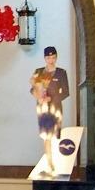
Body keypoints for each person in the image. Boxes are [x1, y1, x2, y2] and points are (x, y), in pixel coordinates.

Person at [29, 45, 70, 177]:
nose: (51, 60)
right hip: (43, 108)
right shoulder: (39, 72)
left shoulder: (61, 73)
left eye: (53, 57)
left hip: (55, 108)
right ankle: (49, 164)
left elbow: (66, 92)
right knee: (46, 136)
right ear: (45, 58)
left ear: (56, 58)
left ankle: (57, 165)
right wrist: (39, 96)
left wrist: (51, 98)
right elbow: (32, 89)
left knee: (55, 135)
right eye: (48, 58)